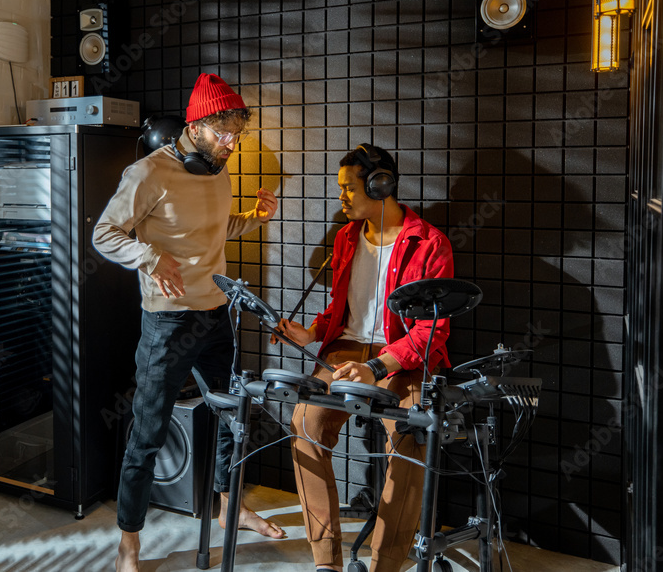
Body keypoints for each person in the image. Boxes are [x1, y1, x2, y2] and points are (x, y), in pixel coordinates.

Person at [93, 73, 285, 572]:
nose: (231, 144)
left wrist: (253, 217)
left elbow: (217, 229)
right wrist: (150, 257)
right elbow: (104, 235)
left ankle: (227, 507)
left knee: (230, 418)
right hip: (167, 324)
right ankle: (128, 541)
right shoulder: (147, 173)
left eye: (236, 136)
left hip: (216, 316)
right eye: (223, 133)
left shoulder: (216, 169)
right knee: (148, 433)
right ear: (196, 126)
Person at [270, 144, 454, 572]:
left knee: (412, 436)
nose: (342, 197)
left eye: (350, 188)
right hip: (345, 350)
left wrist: (377, 368)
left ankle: (386, 563)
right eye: (341, 189)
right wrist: (312, 331)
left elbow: (433, 330)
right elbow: (341, 307)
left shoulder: (430, 244)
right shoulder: (346, 237)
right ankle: (326, 562)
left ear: (381, 183)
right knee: (305, 424)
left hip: (402, 358)